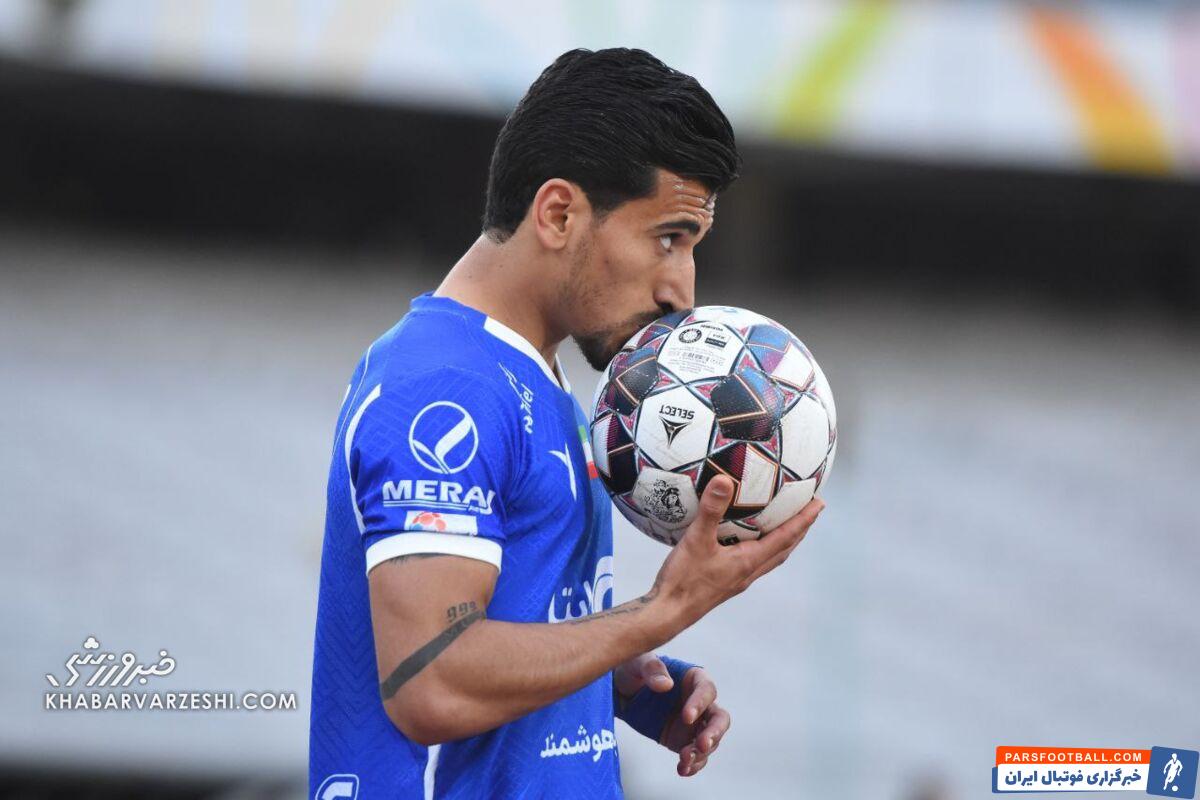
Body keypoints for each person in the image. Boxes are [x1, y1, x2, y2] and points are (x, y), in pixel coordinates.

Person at [309, 47, 825, 799]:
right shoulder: (443, 389)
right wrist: (660, 612)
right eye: (669, 238)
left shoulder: (535, 378)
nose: (682, 291)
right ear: (558, 214)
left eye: (692, 247)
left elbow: (499, 624)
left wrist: (612, 680)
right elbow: (432, 682)